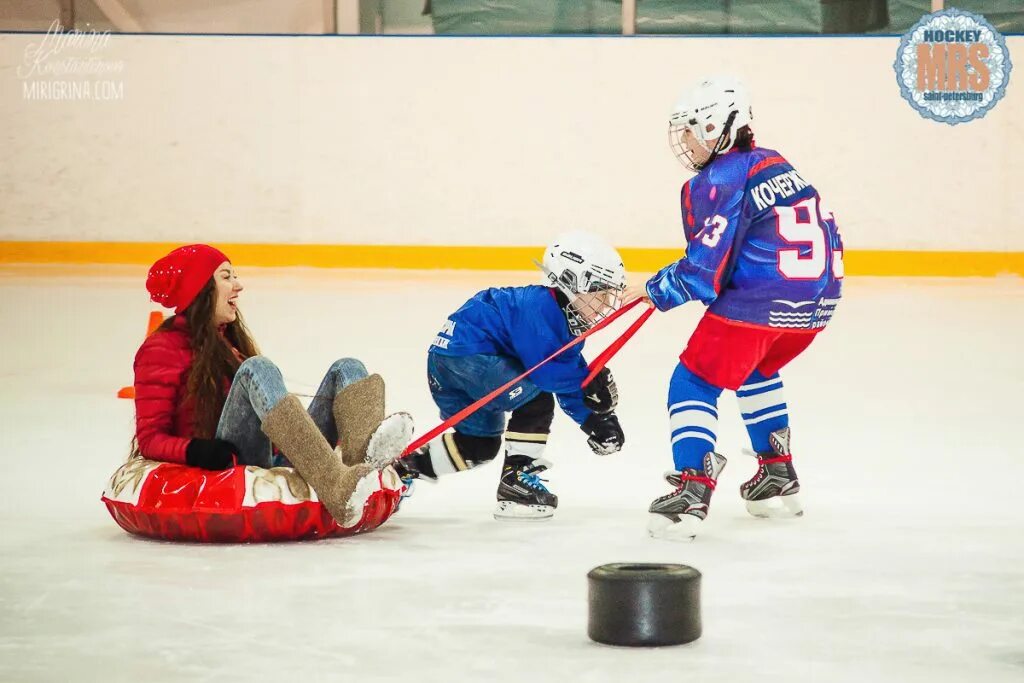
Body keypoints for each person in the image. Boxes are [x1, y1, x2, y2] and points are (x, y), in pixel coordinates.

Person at [623, 77, 844, 542]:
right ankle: (777, 473)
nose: (684, 142)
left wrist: (654, 288)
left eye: (690, 131)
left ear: (717, 126)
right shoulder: (774, 161)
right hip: (815, 306)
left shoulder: (719, 178)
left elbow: (704, 271)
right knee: (755, 369)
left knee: (694, 379)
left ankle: (691, 489)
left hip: (758, 303)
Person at [132, 244, 413, 527]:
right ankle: (337, 487)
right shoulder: (161, 349)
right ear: (199, 289)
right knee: (257, 368)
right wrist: (197, 450)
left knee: (348, 367)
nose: (238, 286)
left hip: (273, 454)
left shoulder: (227, 342)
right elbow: (150, 438)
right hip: (231, 456)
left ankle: (362, 463)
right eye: (226, 276)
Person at [398, 232, 627, 521]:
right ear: (570, 280)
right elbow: (548, 375)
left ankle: (405, 468)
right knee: (536, 399)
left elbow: (561, 372)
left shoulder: (566, 321)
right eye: (599, 289)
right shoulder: (539, 307)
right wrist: (588, 387)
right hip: (470, 358)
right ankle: (516, 480)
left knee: (480, 445)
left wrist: (594, 419)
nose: (606, 300)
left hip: (451, 365)